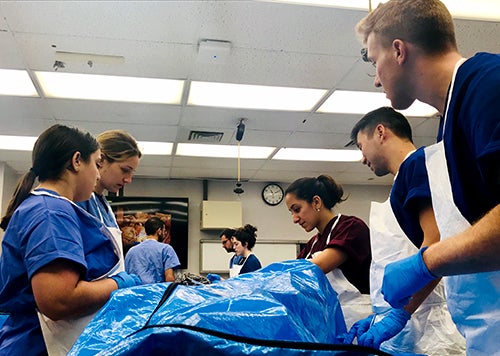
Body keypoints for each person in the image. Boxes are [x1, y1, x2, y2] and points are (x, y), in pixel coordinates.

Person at [355, 1, 500, 353]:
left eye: (375, 62)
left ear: (399, 51)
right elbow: (465, 236)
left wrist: (425, 262)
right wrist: (398, 313)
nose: (376, 78)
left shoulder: (488, 86)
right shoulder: (447, 127)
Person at [0, 125, 142, 355]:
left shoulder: (52, 208)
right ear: (77, 161)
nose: (97, 174)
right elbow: (58, 300)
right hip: (38, 344)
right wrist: (121, 284)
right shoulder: (50, 212)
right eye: (96, 164)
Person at [345, 107, 464, 354]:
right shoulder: (402, 180)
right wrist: (379, 314)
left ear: (380, 132)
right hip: (415, 320)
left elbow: (435, 245)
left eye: (360, 146)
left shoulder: (416, 166)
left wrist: (398, 315)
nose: (363, 158)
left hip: (428, 325)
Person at [284, 175, 372, 329]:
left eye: (297, 210)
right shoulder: (313, 244)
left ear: (316, 202)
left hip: (360, 318)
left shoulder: (350, 227)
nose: (294, 219)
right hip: (330, 319)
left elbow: (317, 266)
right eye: (291, 213)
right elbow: (292, 277)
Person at [77, 130, 142, 271]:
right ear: (101, 160)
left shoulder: (103, 205)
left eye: (131, 173)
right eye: (125, 170)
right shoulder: (80, 201)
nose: (128, 179)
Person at [125, 217, 180, 283]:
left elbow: (126, 277)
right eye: (164, 230)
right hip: (158, 292)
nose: (165, 233)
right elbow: (169, 278)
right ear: (159, 231)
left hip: (135, 292)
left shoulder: (131, 251)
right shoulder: (166, 249)